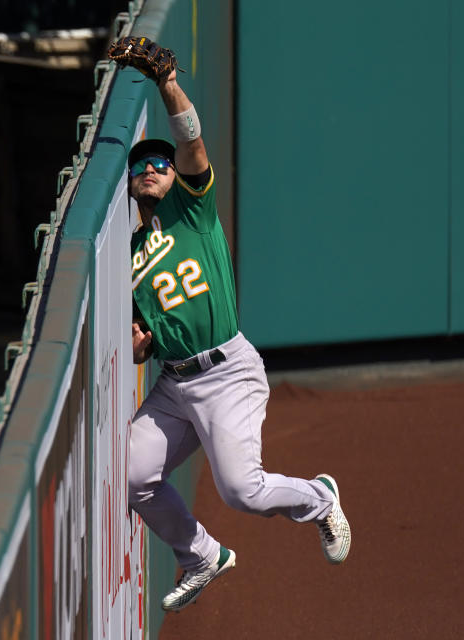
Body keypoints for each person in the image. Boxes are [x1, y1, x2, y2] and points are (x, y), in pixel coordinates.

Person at [114, 37, 352, 612]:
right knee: (131, 474)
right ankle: (200, 555)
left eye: (159, 163)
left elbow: (191, 144)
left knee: (242, 490)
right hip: (175, 384)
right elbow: (144, 336)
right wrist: (142, 346)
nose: (150, 168)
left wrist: (168, 84)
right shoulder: (129, 251)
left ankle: (318, 498)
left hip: (227, 372)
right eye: (139, 165)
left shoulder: (190, 209)